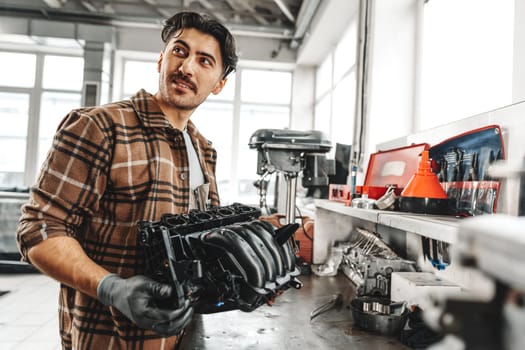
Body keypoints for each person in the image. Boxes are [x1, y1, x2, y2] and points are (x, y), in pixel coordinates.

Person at [16, 11, 239, 349]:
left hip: (179, 338)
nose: (187, 67)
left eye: (204, 61)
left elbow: (203, 242)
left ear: (220, 83)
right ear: (161, 59)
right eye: (179, 51)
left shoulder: (204, 150)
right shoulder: (100, 127)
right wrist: (112, 288)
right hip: (107, 339)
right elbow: (38, 230)